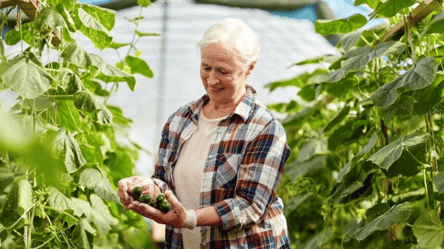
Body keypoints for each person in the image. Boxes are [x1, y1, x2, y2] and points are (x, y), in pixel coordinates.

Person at [117, 18, 291, 248]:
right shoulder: (180, 120)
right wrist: (147, 187)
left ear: (249, 68)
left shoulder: (264, 128)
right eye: (206, 67)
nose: (211, 80)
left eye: (223, 71)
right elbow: (163, 181)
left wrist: (189, 219)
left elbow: (251, 205)